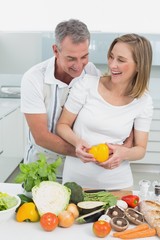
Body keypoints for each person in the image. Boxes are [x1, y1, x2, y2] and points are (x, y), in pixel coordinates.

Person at [21, 19, 132, 164]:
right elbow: (41, 136)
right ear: (56, 50)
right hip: (42, 163)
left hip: (79, 165)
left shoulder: (92, 73)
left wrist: (125, 149)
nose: (79, 65)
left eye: (84, 56)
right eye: (71, 58)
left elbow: (117, 113)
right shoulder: (33, 78)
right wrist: (87, 154)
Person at [56, 33, 153, 190]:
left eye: (121, 60)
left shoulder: (143, 101)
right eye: (111, 57)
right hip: (76, 182)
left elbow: (140, 149)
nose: (112, 65)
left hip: (118, 184)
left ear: (139, 65)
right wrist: (77, 142)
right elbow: (62, 125)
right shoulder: (87, 85)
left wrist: (123, 153)